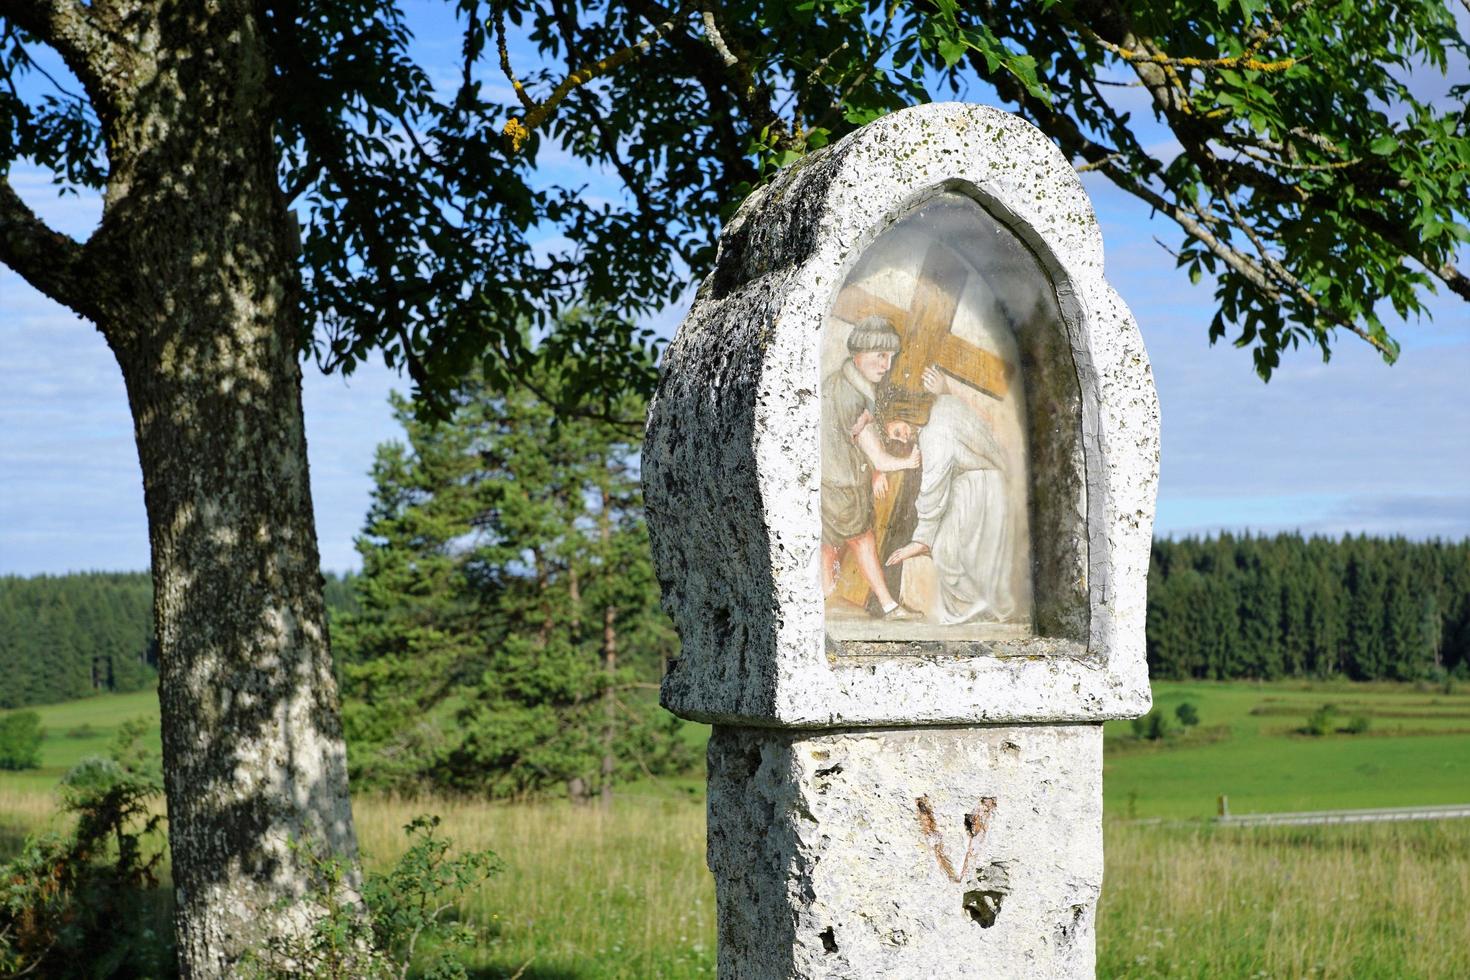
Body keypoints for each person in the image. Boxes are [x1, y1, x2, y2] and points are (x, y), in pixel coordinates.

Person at [884, 365, 1018, 624]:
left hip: (980, 488)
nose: (903, 440)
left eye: (899, 432)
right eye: (897, 439)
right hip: (985, 485)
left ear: (905, 413)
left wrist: (919, 541)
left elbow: (933, 489)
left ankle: (978, 607)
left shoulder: (933, 435)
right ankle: (986, 606)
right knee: (953, 550)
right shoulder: (944, 405)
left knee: (946, 552)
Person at [821, 316, 922, 619]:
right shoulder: (854, 395)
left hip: (833, 483)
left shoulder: (841, 380)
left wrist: (885, 429)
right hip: (843, 487)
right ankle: (886, 605)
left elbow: (852, 434)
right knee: (859, 541)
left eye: (890, 358)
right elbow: (877, 456)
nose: (886, 365)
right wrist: (907, 461)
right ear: (859, 353)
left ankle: (824, 601)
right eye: (880, 356)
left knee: (832, 545)